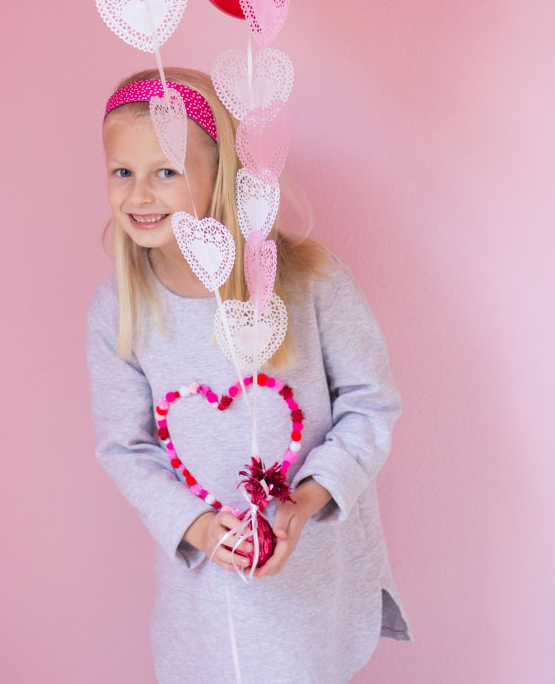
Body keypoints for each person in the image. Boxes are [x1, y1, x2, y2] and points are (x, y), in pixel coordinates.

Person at [85, 66, 413, 684]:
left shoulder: (312, 282)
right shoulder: (118, 311)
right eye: (122, 172)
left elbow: (370, 407)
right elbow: (124, 447)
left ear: (220, 176)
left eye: (166, 172)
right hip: (205, 597)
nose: (139, 195)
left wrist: (305, 501)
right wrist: (202, 529)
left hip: (312, 581)